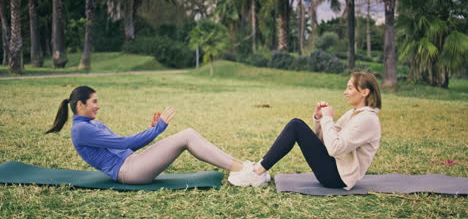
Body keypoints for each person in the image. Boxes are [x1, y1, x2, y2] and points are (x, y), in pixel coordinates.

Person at [46, 86, 252, 185]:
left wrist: (152, 130)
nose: (98, 106)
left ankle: (242, 166)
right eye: (94, 102)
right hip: (129, 172)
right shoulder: (81, 130)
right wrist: (157, 129)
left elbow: (125, 147)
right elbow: (125, 143)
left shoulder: (91, 124)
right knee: (187, 136)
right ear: (80, 105)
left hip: (133, 162)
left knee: (188, 134)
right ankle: (243, 171)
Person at [228, 72, 381, 189]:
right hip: (334, 167)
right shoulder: (353, 113)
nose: (345, 92)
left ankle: (256, 172)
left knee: (296, 125)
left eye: (350, 88)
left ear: (364, 92)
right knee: (296, 125)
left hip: (338, 177)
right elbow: (326, 141)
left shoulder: (368, 119)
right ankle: (258, 170)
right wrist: (319, 117)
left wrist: (327, 119)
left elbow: (334, 148)